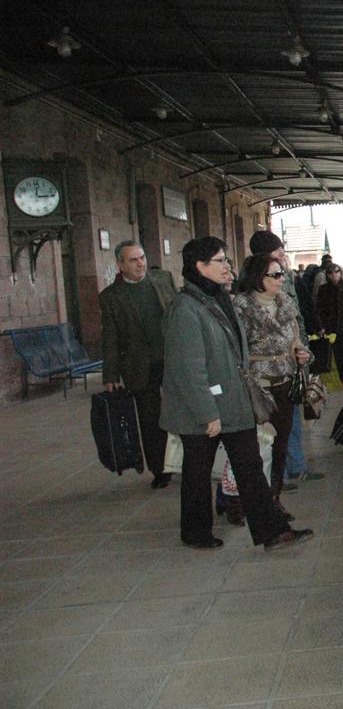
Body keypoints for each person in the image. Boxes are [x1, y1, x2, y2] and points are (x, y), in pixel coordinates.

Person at [160, 236, 313, 551]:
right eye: (220, 261)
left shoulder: (218, 299)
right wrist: (207, 413)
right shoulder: (186, 308)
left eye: (226, 260)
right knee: (198, 471)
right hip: (204, 406)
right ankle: (195, 531)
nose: (227, 266)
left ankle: (273, 531)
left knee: (249, 466)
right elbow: (189, 368)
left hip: (231, 400)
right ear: (200, 267)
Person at [232, 255, 312, 523]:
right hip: (256, 386)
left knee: (279, 444)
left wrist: (302, 354)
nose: (281, 280)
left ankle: (274, 498)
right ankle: (241, 501)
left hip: (285, 382)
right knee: (253, 448)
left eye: (282, 275)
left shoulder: (286, 304)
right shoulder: (241, 307)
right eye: (275, 275)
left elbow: (296, 341)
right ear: (258, 278)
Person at [248, 231, 324, 486]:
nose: (283, 255)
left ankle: (294, 468)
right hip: (264, 376)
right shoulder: (245, 302)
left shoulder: (285, 285)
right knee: (270, 428)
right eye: (277, 251)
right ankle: (275, 477)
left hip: (291, 365)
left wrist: (303, 351)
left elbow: (297, 319)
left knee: (291, 420)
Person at [100, 241, 177, 488]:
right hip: (139, 368)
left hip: (173, 361)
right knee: (150, 419)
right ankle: (161, 469)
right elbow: (110, 337)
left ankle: (192, 460)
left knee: (185, 411)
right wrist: (110, 373)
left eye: (142, 257)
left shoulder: (163, 280)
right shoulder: (111, 297)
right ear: (120, 265)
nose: (140, 263)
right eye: (133, 260)